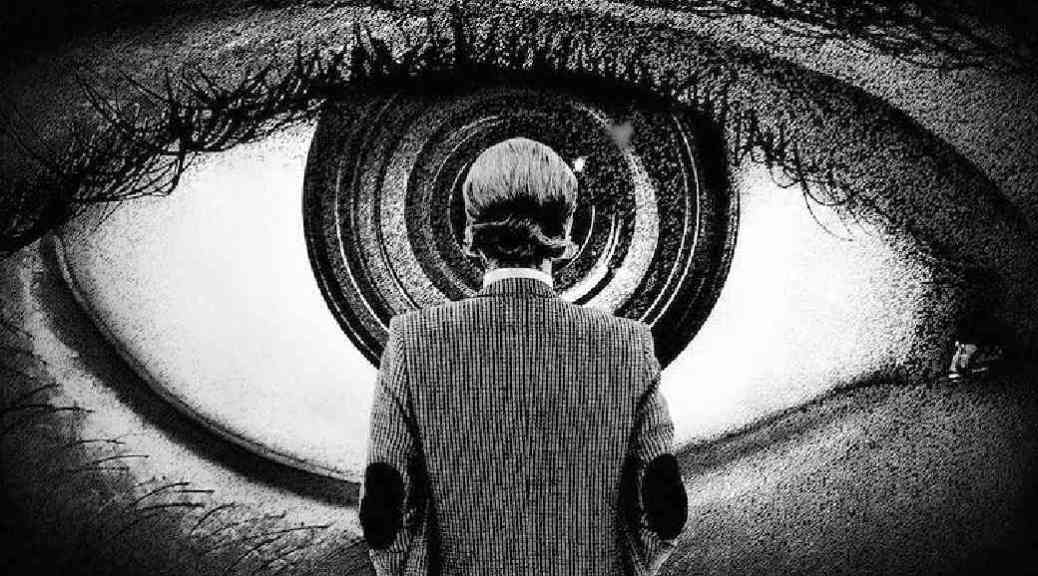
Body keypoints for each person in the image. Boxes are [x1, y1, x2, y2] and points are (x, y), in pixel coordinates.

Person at [360, 137, 688, 576]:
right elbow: (665, 513)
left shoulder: (412, 341)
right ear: (565, 231)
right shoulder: (629, 345)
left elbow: (382, 516)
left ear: (470, 230)